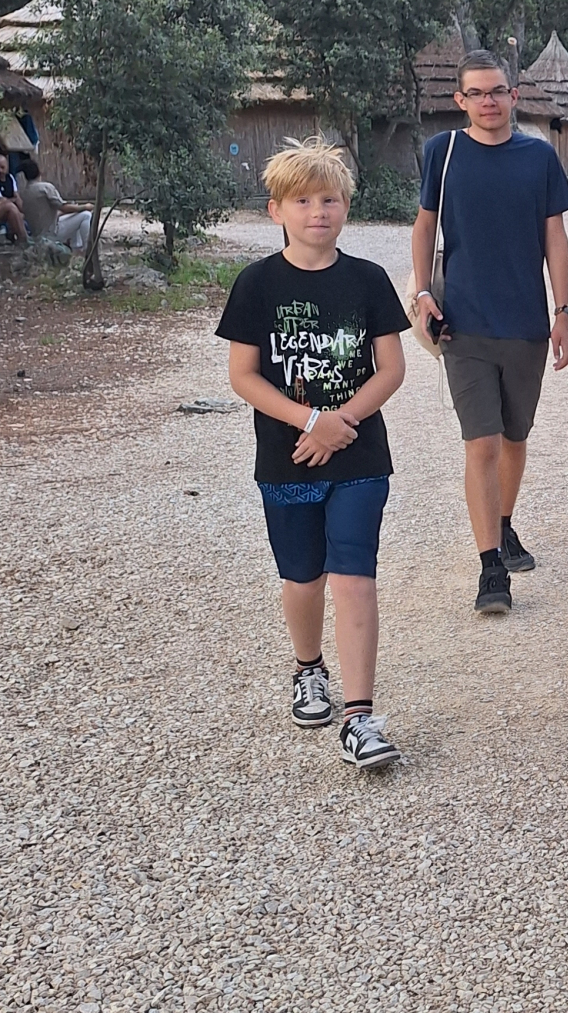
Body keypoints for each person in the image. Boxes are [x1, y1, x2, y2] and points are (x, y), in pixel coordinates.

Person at [217, 138, 411, 770]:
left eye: (329, 199)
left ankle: (359, 716)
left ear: (346, 207)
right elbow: (243, 375)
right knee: (303, 576)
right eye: (302, 201)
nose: (317, 212)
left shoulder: (368, 280)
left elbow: (391, 368)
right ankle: (308, 669)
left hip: (359, 456)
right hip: (288, 456)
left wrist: (341, 421)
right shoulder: (256, 284)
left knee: (355, 574)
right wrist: (311, 421)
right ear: (276, 210)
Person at [412, 49, 568, 615]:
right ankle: (490, 569)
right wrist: (422, 292)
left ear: (514, 96)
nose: (488, 101)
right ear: (460, 100)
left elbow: (555, 237)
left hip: (525, 324)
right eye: (477, 93)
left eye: (497, 91)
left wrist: (563, 312)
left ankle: (503, 523)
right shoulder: (443, 152)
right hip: (463, 324)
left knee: (513, 437)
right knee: (480, 441)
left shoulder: (539, 157)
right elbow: (425, 226)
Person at [18, 159, 94, 251]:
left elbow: (44, 214)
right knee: (86, 215)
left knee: (74, 214)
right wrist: (85, 207)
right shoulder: (45, 188)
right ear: (39, 172)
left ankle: (75, 248)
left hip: (37, 234)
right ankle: (86, 249)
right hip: (51, 234)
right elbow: (63, 207)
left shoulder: (24, 193)